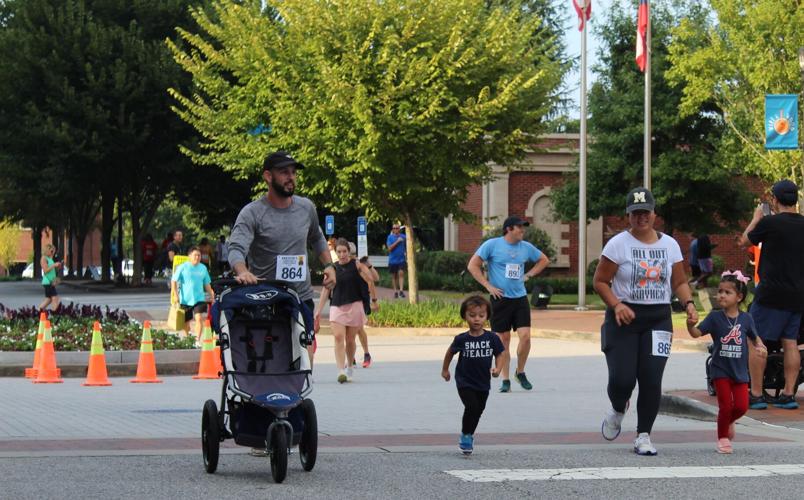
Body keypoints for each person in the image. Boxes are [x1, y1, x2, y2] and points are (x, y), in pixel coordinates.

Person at [594, 187, 698, 456]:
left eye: (646, 213)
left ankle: (643, 435)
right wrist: (616, 305)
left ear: (654, 214)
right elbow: (600, 281)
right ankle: (618, 407)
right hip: (624, 318)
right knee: (622, 379)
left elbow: (679, 281)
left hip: (658, 319)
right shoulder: (618, 244)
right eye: (635, 213)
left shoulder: (670, 245)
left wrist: (689, 304)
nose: (641, 218)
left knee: (652, 379)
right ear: (628, 215)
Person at [228, 150, 337, 362]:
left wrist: (329, 265)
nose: (291, 177)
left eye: (293, 172)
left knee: (304, 352)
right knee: (270, 359)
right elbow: (236, 248)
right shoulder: (252, 213)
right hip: (266, 297)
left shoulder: (306, 208)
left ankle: (301, 393)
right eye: (284, 172)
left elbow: (317, 238)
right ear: (268, 176)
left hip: (300, 296)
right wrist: (243, 272)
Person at [739, 179, 804, 410]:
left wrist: (756, 219)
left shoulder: (770, 223)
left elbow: (744, 241)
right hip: (797, 295)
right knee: (790, 343)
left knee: (756, 340)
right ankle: (787, 394)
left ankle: (757, 394)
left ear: (775, 200)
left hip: (771, 294)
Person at [467, 216, 549, 393]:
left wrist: (529, 275)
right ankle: (505, 379)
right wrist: (488, 286)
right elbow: (473, 265)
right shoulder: (492, 245)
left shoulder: (526, 247)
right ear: (509, 229)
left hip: (519, 298)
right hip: (500, 299)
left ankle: (520, 372)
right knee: (503, 340)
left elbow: (544, 260)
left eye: (523, 228)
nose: (523, 230)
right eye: (520, 227)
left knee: (525, 336)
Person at [686, 270, 766, 454]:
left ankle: (729, 420)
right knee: (725, 406)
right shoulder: (715, 317)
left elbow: (755, 338)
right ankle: (722, 438)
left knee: (741, 406)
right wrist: (690, 325)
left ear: (739, 297)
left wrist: (761, 347)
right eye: (720, 291)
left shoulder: (746, 318)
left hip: (739, 371)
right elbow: (697, 333)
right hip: (720, 369)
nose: (721, 295)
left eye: (727, 292)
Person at [441, 295, 504, 455]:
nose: (477, 319)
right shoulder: (461, 339)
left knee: (479, 410)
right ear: (465, 316)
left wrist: (498, 369)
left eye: (481, 316)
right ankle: (466, 436)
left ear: (487, 317)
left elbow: (500, 354)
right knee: (472, 406)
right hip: (464, 380)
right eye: (472, 315)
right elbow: (450, 353)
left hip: (483, 382)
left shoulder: (492, 338)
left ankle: (469, 433)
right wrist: (445, 369)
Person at [314, 238, 378, 383]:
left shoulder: (356, 266)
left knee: (350, 340)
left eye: (344, 251)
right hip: (337, 306)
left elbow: (372, 279)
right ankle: (341, 370)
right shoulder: (332, 268)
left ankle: (349, 365)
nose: (342, 254)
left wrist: (365, 267)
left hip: (355, 306)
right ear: (335, 253)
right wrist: (318, 310)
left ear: (349, 252)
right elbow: (325, 290)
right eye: (339, 252)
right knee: (338, 337)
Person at [171, 246, 215, 342]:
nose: (197, 257)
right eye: (195, 255)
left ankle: (197, 339)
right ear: (190, 256)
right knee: (186, 322)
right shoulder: (183, 267)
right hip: (185, 299)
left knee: (199, 319)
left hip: (199, 299)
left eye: (199, 255)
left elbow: (206, 283)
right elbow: (173, 281)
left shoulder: (203, 268)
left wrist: (212, 295)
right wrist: (176, 295)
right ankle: (188, 338)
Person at [356, 255, 379, 368]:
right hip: (346, 300)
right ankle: (351, 357)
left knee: (359, 329)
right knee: (346, 332)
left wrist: (374, 301)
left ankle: (366, 354)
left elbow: (374, 279)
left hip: (360, 301)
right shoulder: (341, 266)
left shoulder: (360, 265)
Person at [38, 244, 62, 312]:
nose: (53, 252)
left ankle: (39, 311)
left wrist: (58, 267)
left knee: (49, 299)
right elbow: (46, 270)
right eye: (51, 251)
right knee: (55, 298)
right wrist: (54, 265)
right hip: (47, 281)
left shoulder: (50, 258)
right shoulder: (44, 258)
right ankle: (54, 313)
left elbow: (52, 270)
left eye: (54, 251)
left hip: (51, 281)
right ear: (47, 250)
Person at [386, 223, 406, 298]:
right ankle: (395, 292)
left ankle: (401, 291)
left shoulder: (403, 236)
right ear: (392, 229)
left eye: (397, 228)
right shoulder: (390, 237)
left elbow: (410, 241)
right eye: (394, 228)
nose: (395, 229)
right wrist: (397, 241)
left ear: (399, 229)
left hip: (401, 260)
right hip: (392, 260)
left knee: (401, 273)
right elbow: (389, 249)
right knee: (394, 276)